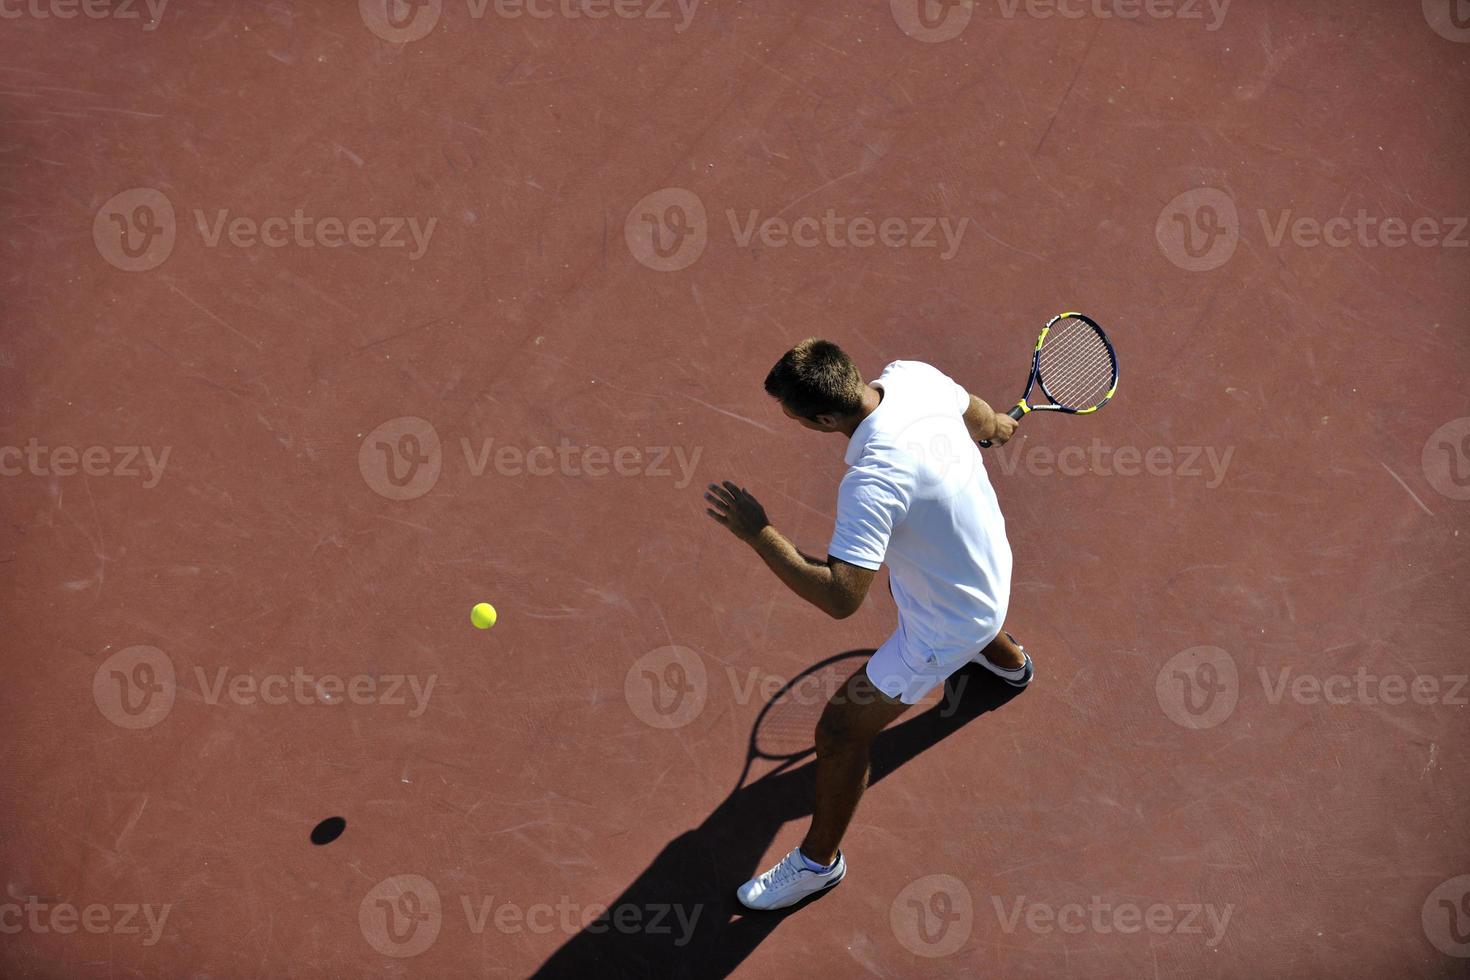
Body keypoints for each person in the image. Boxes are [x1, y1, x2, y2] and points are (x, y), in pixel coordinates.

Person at [704, 338, 1032, 911]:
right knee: (931, 590)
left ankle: (816, 865)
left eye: (794, 415)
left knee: (839, 731)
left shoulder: (873, 482)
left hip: (948, 620)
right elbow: (977, 412)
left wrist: (758, 532)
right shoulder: (914, 375)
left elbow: (840, 598)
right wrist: (998, 426)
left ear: (826, 419)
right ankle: (1009, 665)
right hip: (988, 564)